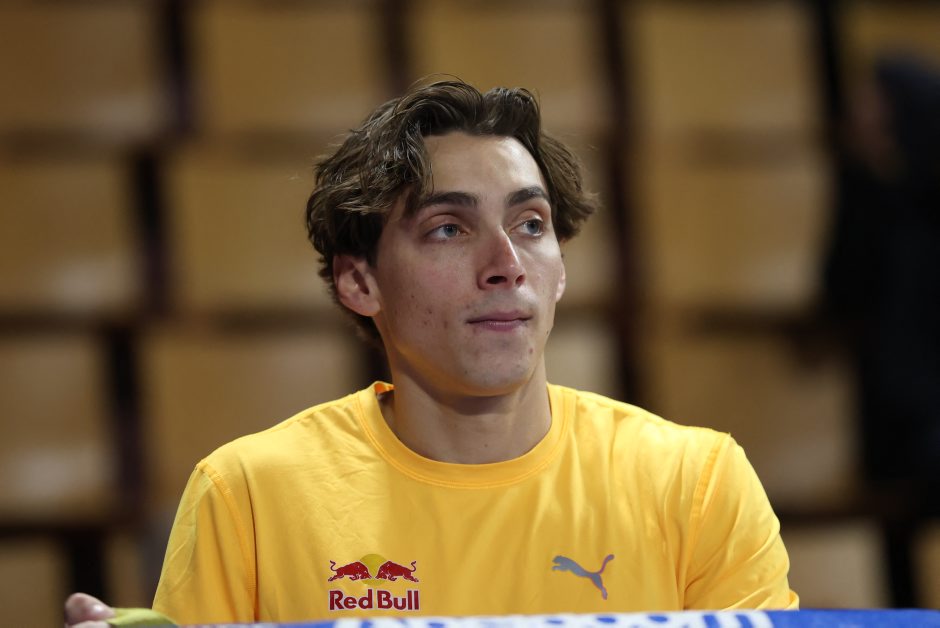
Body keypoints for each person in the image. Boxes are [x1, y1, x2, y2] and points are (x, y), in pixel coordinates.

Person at [66, 81, 797, 627]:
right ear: (359, 281)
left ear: (561, 270)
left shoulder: (698, 484)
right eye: (449, 228)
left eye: (531, 224)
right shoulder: (249, 495)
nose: (506, 264)